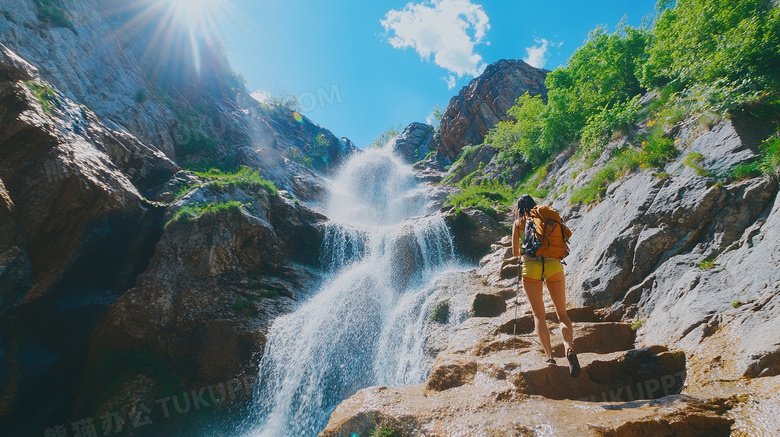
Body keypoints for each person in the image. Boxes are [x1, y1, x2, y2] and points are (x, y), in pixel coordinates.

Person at [511, 194, 580, 378]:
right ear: (534, 205)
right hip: (553, 264)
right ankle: (569, 348)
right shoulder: (543, 217)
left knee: (539, 315)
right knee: (562, 314)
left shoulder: (518, 223)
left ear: (518, 209)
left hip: (531, 267)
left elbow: (515, 252)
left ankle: (550, 357)